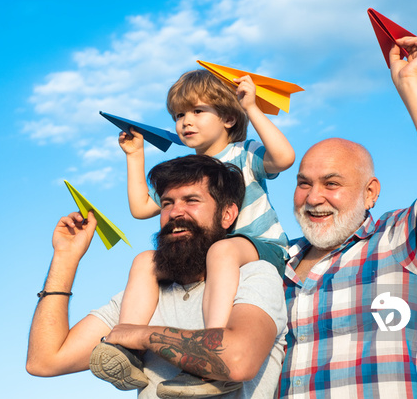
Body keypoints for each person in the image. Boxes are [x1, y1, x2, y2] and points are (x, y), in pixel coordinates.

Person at [280, 36, 417, 398]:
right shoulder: (278, 264)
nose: (313, 198)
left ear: (370, 193)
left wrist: (409, 84)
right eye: (303, 183)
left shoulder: (401, 242)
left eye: (332, 183)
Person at [26, 155, 288, 399]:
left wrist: (139, 335)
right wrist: (65, 257)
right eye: (167, 203)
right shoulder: (144, 294)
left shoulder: (256, 277)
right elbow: (45, 360)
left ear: (227, 214)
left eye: (191, 200)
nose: (175, 212)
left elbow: (238, 361)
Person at [112, 70, 294, 394]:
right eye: (179, 115)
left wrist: (251, 107)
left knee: (220, 250)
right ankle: (127, 350)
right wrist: (135, 154)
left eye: (197, 111)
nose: (185, 121)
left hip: (261, 247)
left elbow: (284, 157)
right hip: (216, 257)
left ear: (226, 117)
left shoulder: (243, 152)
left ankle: (213, 358)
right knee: (145, 261)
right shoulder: (186, 173)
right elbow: (141, 207)